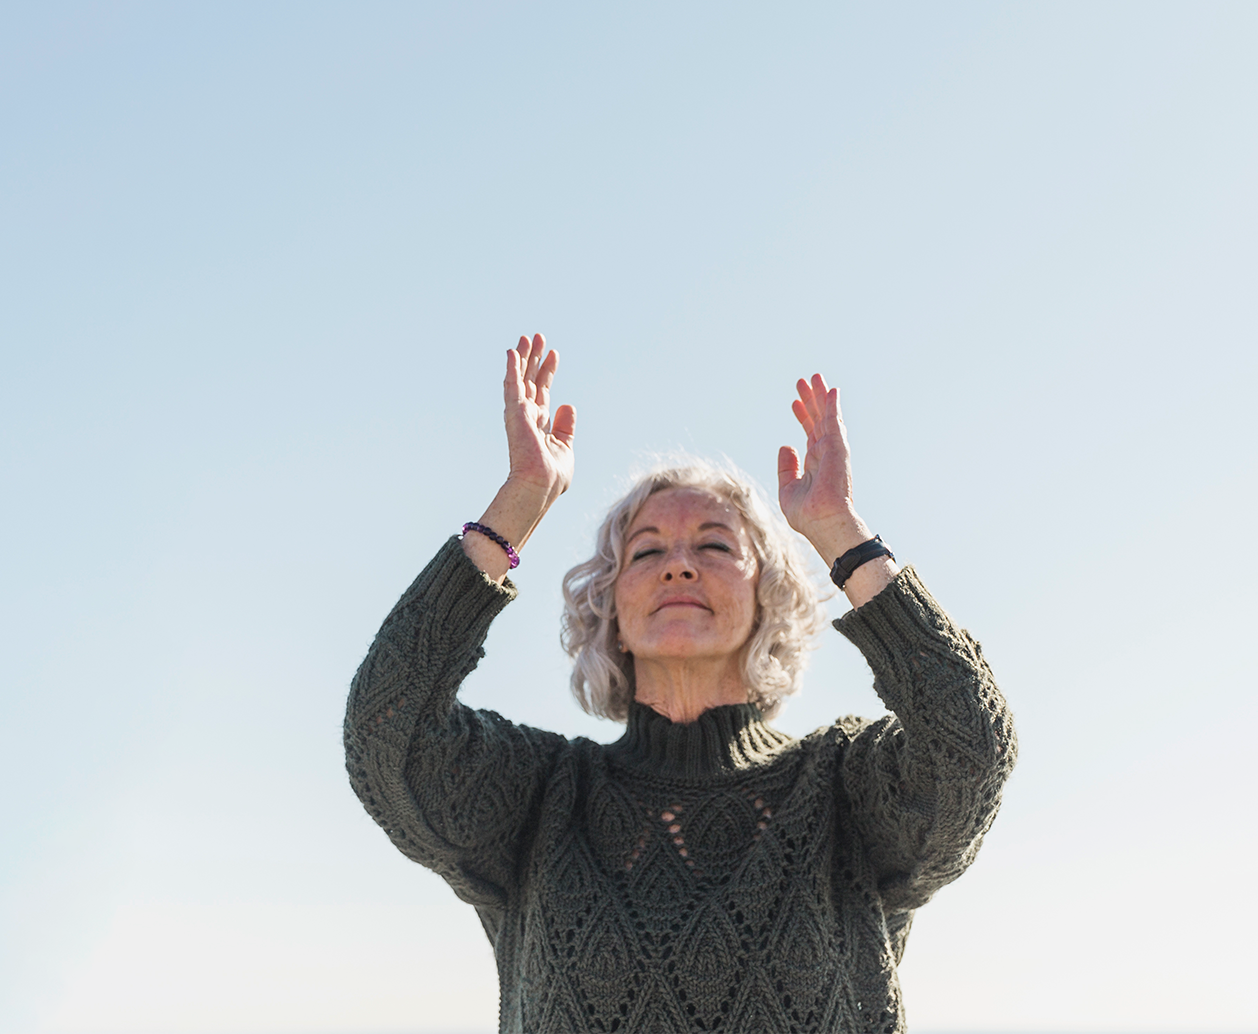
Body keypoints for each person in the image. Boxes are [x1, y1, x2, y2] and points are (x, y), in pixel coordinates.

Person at [344, 334, 1016, 1034]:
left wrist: (842, 536)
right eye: (647, 551)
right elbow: (385, 730)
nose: (679, 565)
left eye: (715, 545)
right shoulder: (536, 794)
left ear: (770, 595)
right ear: (608, 604)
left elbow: (969, 745)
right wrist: (517, 504)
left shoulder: (843, 787)